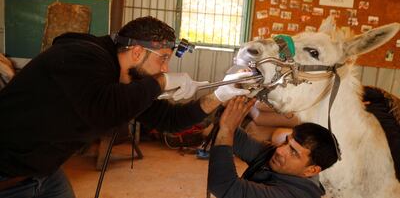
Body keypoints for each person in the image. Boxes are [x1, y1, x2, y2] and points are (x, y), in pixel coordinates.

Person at [0, 16, 252, 198]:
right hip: (8, 178)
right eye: (162, 58)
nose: (166, 68)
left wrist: (219, 95)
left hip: (44, 173)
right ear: (137, 52)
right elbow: (103, 111)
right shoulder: (81, 58)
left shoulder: (128, 81)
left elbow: (169, 120)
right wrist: (161, 83)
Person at [208, 96, 340, 198]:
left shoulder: (293, 195)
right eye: (286, 142)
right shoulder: (277, 158)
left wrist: (227, 130)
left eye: (294, 152)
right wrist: (232, 102)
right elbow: (236, 137)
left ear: (311, 170)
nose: (280, 150)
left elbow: (224, 186)